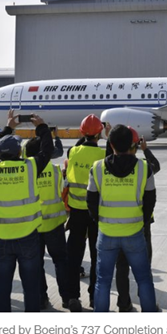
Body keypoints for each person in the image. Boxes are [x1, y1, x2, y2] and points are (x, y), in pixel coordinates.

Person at [0, 110, 53, 312]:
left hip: (1, 236)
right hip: (27, 235)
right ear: (19, 152)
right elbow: (47, 150)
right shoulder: (30, 167)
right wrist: (41, 127)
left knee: (1, 289)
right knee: (31, 288)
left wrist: (8, 127)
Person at [88, 125, 157, 312]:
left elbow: (91, 201)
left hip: (107, 232)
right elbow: (150, 201)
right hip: (134, 232)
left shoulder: (97, 168)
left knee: (103, 281)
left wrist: (101, 221)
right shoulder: (144, 168)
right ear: (132, 144)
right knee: (144, 279)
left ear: (110, 144)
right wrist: (141, 222)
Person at [115, 127, 160, 312]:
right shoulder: (143, 167)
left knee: (121, 267)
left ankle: (123, 303)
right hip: (141, 224)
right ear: (135, 145)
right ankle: (147, 303)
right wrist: (145, 149)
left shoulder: (107, 166)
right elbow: (156, 165)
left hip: (117, 224)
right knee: (143, 267)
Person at [65, 114, 106, 312]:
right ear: (100, 134)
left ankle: (72, 296)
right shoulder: (103, 156)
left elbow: (77, 148)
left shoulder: (73, 152)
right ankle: (94, 297)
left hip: (76, 212)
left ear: (82, 133)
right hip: (96, 213)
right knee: (97, 256)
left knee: (73, 257)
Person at [23, 137, 69, 310]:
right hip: (55, 222)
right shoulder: (56, 170)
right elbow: (61, 190)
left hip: (34, 224)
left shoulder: (25, 172)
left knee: (37, 264)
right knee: (60, 261)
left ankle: (41, 298)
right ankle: (67, 297)